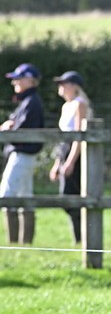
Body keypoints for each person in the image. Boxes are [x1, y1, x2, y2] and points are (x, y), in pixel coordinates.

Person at [1, 63, 45, 244]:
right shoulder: (27, 101)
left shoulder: (31, 102)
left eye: (19, 79)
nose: (15, 83)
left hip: (22, 155)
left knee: (6, 195)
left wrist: (7, 129)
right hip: (23, 155)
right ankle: (24, 244)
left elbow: (20, 131)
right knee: (25, 196)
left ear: (30, 80)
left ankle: (14, 243)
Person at [48, 71, 92, 245]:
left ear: (74, 86)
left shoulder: (79, 105)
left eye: (64, 83)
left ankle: (82, 239)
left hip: (75, 153)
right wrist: (57, 162)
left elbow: (78, 137)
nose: (60, 86)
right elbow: (63, 139)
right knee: (67, 197)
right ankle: (79, 238)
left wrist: (71, 161)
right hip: (64, 150)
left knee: (70, 196)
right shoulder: (66, 106)